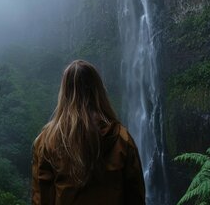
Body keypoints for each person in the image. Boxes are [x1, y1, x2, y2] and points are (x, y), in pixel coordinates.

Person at [32, 60, 146, 205]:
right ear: (98, 89)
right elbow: (135, 197)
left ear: (64, 92)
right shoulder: (121, 139)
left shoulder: (46, 142)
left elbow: (41, 199)